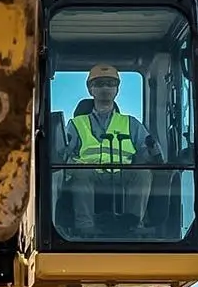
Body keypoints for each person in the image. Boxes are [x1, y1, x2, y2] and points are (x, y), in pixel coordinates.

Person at [60, 64, 153, 236]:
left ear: (117, 89)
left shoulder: (131, 123)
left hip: (121, 173)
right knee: (81, 173)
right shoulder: (76, 124)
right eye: (100, 83)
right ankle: (85, 226)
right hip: (90, 173)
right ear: (90, 89)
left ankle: (133, 223)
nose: (106, 88)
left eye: (111, 83)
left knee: (143, 174)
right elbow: (62, 152)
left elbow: (147, 151)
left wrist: (153, 152)